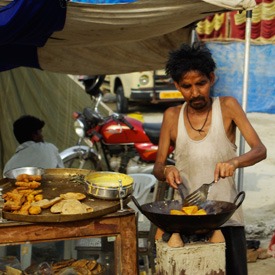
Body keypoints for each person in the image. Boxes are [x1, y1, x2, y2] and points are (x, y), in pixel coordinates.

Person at [153, 42, 267, 275]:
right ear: (177, 85)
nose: (194, 93)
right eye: (186, 86)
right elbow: (158, 165)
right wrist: (166, 171)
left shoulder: (227, 107)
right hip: (185, 218)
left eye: (200, 84)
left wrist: (234, 162)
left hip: (226, 218)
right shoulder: (172, 116)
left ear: (212, 78)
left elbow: (260, 150)